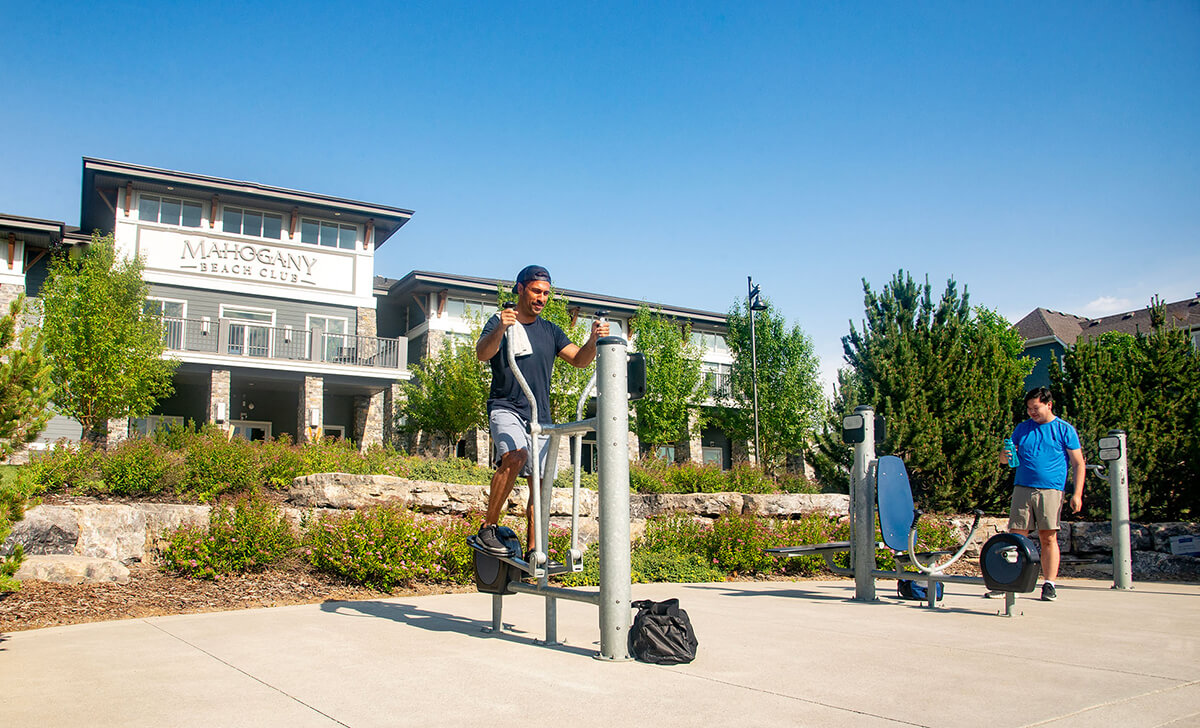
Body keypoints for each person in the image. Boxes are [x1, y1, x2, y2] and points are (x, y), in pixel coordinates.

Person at [473, 264, 609, 557]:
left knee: (541, 485)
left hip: (539, 416)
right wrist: (502, 327)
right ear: (520, 289)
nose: (541, 298)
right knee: (515, 454)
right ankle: (488, 528)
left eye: (546, 293)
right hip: (506, 406)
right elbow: (483, 353)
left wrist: (593, 340)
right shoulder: (500, 321)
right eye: (536, 291)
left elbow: (579, 360)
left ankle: (536, 552)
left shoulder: (550, 330)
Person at [997, 387, 1085, 601]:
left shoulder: (1064, 429)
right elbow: (1004, 461)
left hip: (1051, 489)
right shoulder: (1022, 429)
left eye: (1035, 408)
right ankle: (1010, 581)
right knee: (1017, 536)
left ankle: (1049, 584)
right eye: (1028, 409)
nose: (1031, 413)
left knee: (1048, 536)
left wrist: (1077, 494)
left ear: (1048, 405)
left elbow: (1078, 463)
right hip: (1023, 487)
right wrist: (1004, 454)